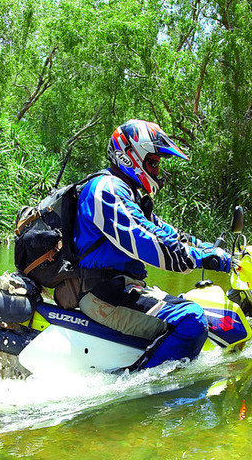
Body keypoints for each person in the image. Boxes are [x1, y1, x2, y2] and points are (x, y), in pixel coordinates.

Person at [72, 119, 232, 370]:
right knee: (192, 318)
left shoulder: (126, 193)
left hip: (119, 290)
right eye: (153, 163)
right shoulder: (106, 189)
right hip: (104, 295)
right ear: (129, 156)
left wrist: (209, 249)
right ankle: (146, 393)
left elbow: (165, 233)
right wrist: (194, 258)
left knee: (190, 306)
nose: (157, 171)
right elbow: (145, 239)